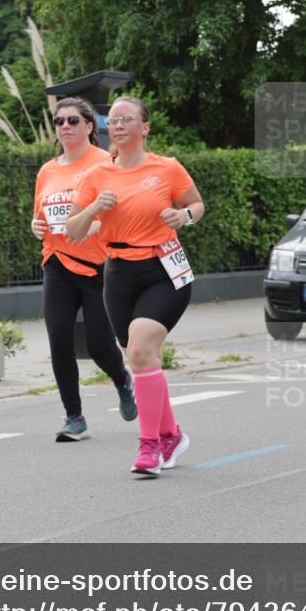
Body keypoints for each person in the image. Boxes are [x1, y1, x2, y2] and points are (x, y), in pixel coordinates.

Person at [66, 96, 204, 476]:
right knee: (140, 358)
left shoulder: (167, 168)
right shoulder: (96, 177)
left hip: (163, 269)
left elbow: (196, 205)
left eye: (127, 118)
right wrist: (94, 209)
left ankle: (150, 448)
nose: (120, 125)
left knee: (141, 347)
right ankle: (171, 433)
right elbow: (72, 230)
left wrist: (184, 216)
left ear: (145, 127)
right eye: (113, 120)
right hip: (118, 273)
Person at [32, 96, 137, 442]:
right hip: (57, 263)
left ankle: (122, 379)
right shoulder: (47, 170)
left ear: (90, 127)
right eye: (60, 121)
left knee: (99, 345)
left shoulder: (106, 162)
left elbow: (122, 209)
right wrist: (35, 226)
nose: (65, 126)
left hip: (99, 266)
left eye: (73, 120)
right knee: (59, 339)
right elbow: (42, 215)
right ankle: (73, 417)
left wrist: (95, 224)